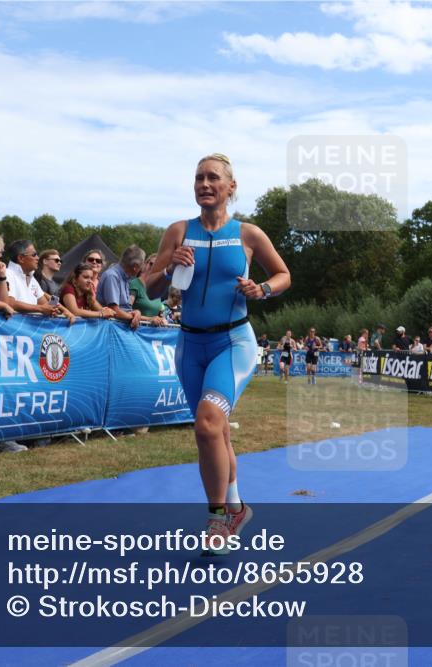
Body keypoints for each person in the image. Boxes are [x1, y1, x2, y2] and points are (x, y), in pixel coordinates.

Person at [144, 152, 290, 555]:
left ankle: (218, 520)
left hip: (233, 342)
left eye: (212, 178)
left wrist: (263, 289)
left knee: (207, 426)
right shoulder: (177, 231)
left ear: (231, 187)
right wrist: (168, 267)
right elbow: (150, 289)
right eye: (198, 178)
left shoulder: (249, 234)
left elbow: (283, 274)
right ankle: (238, 507)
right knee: (218, 432)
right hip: (189, 346)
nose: (204, 185)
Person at [4, 239, 75, 323]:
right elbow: (8, 302)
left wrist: (63, 311)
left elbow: (45, 304)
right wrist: (41, 309)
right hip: (13, 330)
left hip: (26, 330)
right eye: (34, 255)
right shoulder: (8, 274)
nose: (38, 258)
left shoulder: (31, 278)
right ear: (21, 258)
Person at [97, 245, 144, 330]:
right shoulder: (112, 276)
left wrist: (137, 313)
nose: (141, 269)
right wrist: (133, 316)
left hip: (117, 329)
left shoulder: (125, 278)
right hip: (108, 330)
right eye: (141, 266)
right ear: (135, 267)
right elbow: (114, 311)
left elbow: (126, 309)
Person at [129, 253, 166, 325]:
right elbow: (127, 311)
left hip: (151, 333)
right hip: (135, 331)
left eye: (157, 266)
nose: (153, 268)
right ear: (145, 264)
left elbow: (158, 313)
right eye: (151, 264)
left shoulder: (157, 288)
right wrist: (149, 319)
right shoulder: (135, 284)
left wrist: (161, 319)